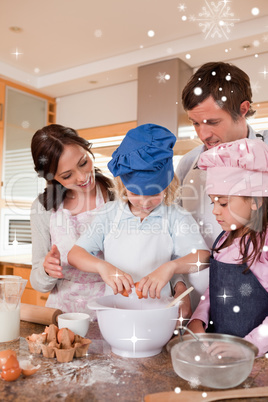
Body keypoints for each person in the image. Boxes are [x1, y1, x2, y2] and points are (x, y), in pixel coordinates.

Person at [68, 123, 210, 309]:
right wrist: (103, 267)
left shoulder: (175, 216)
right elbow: (75, 255)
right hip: (116, 312)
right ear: (122, 185)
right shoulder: (109, 214)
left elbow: (203, 257)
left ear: (167, 184)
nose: (144, 202)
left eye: (153, 194)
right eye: (134, 194)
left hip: (160, 315)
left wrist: (171, 268)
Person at [175, 61, 268, 311]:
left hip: (256, 304)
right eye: (195, 123)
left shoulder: (266, 155)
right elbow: (174, 232)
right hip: (197, 305)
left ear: (243, 109)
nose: (203, 135)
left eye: (212, 122)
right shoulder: (188, 164)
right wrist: (179, 283)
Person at [187, 138, 268, 357]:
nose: (215, 211)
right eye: (213, 202)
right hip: (219, 349)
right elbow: (215, 288)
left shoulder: (264, 247)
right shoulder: (224, 240)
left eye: (222, 203)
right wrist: (198, 318)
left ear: (256, 201)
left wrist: (250, 346)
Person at [30, 124, 114, 314]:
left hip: (112, 310)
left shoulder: (118, 196)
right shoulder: (43, 208)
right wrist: (47, 271)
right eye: (67, 175)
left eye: (83, 162)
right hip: (64, 316)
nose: (83, 177)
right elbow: (37, 282)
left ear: (86, 149)